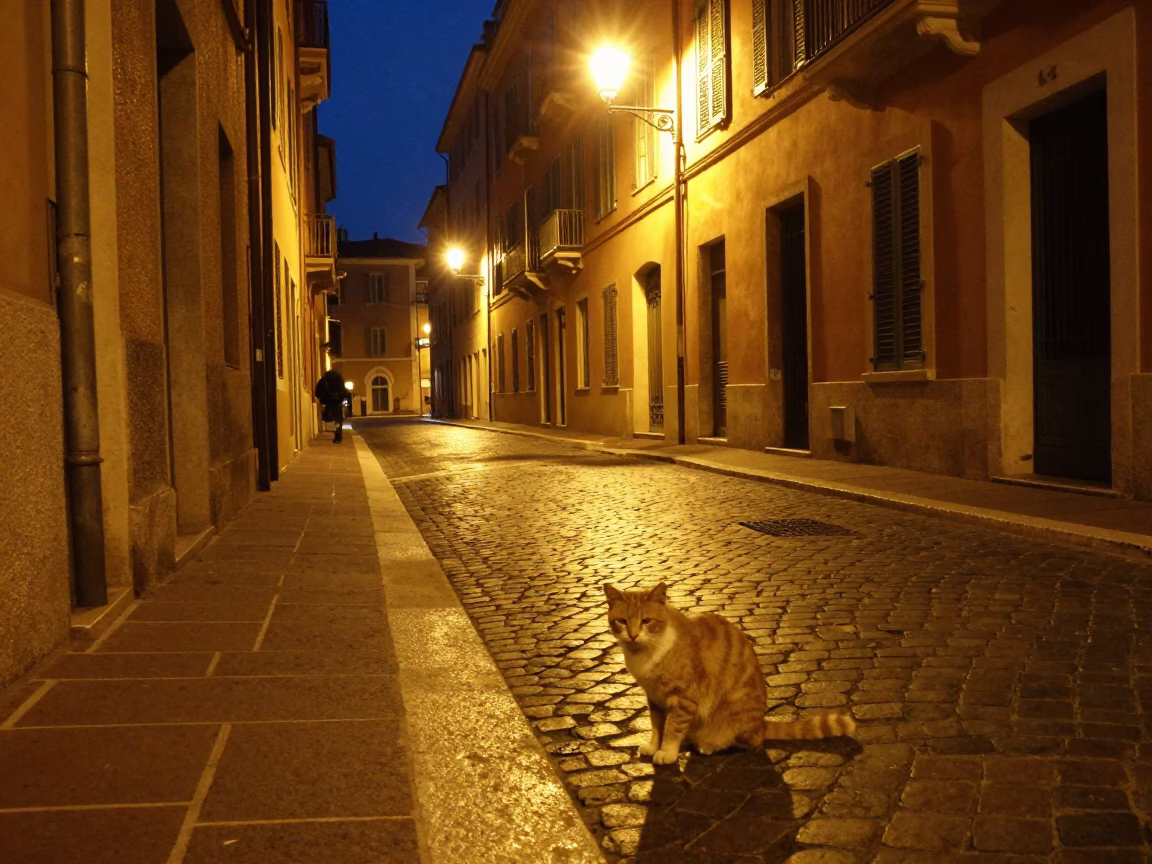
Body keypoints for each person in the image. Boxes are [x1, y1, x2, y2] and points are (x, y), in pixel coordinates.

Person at [314, 367, 348, 443]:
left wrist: (321, 399)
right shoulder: (339, 379)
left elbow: (318, 390)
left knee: (329, 417)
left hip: (328, 402)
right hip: (337, 402)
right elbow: (343, 391)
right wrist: (341, 398)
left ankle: (334, 431)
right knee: (338, 419)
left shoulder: (324, 379)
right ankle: (338, 436)